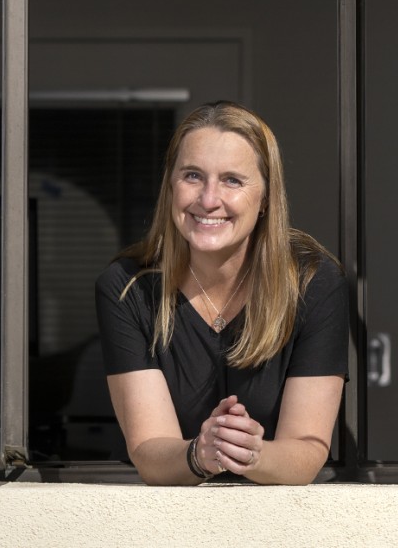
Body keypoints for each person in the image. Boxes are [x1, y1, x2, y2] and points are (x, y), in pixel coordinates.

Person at [94, 101, 348, 485]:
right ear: (171, 186)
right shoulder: (128, 287)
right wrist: (200, 453)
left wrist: (252, 454)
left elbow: (307, 451)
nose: (209, 199)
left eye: (232, 180)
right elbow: (148, 449)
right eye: (192, 176)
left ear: (265, 198)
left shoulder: (313, 282)